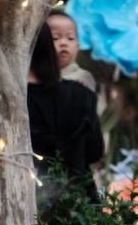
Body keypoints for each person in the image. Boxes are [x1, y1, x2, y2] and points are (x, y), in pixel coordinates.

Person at [28, 22, 104, 211]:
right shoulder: (82, 95)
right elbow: (95, 151)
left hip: (30, 206)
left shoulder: (11, 104)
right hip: (78, 206)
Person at [46, 7, 97, 92]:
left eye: (70, 38)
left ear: (78, 45)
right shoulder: (33, 77)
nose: (63, 43)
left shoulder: (83, 78)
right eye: (55, 38)